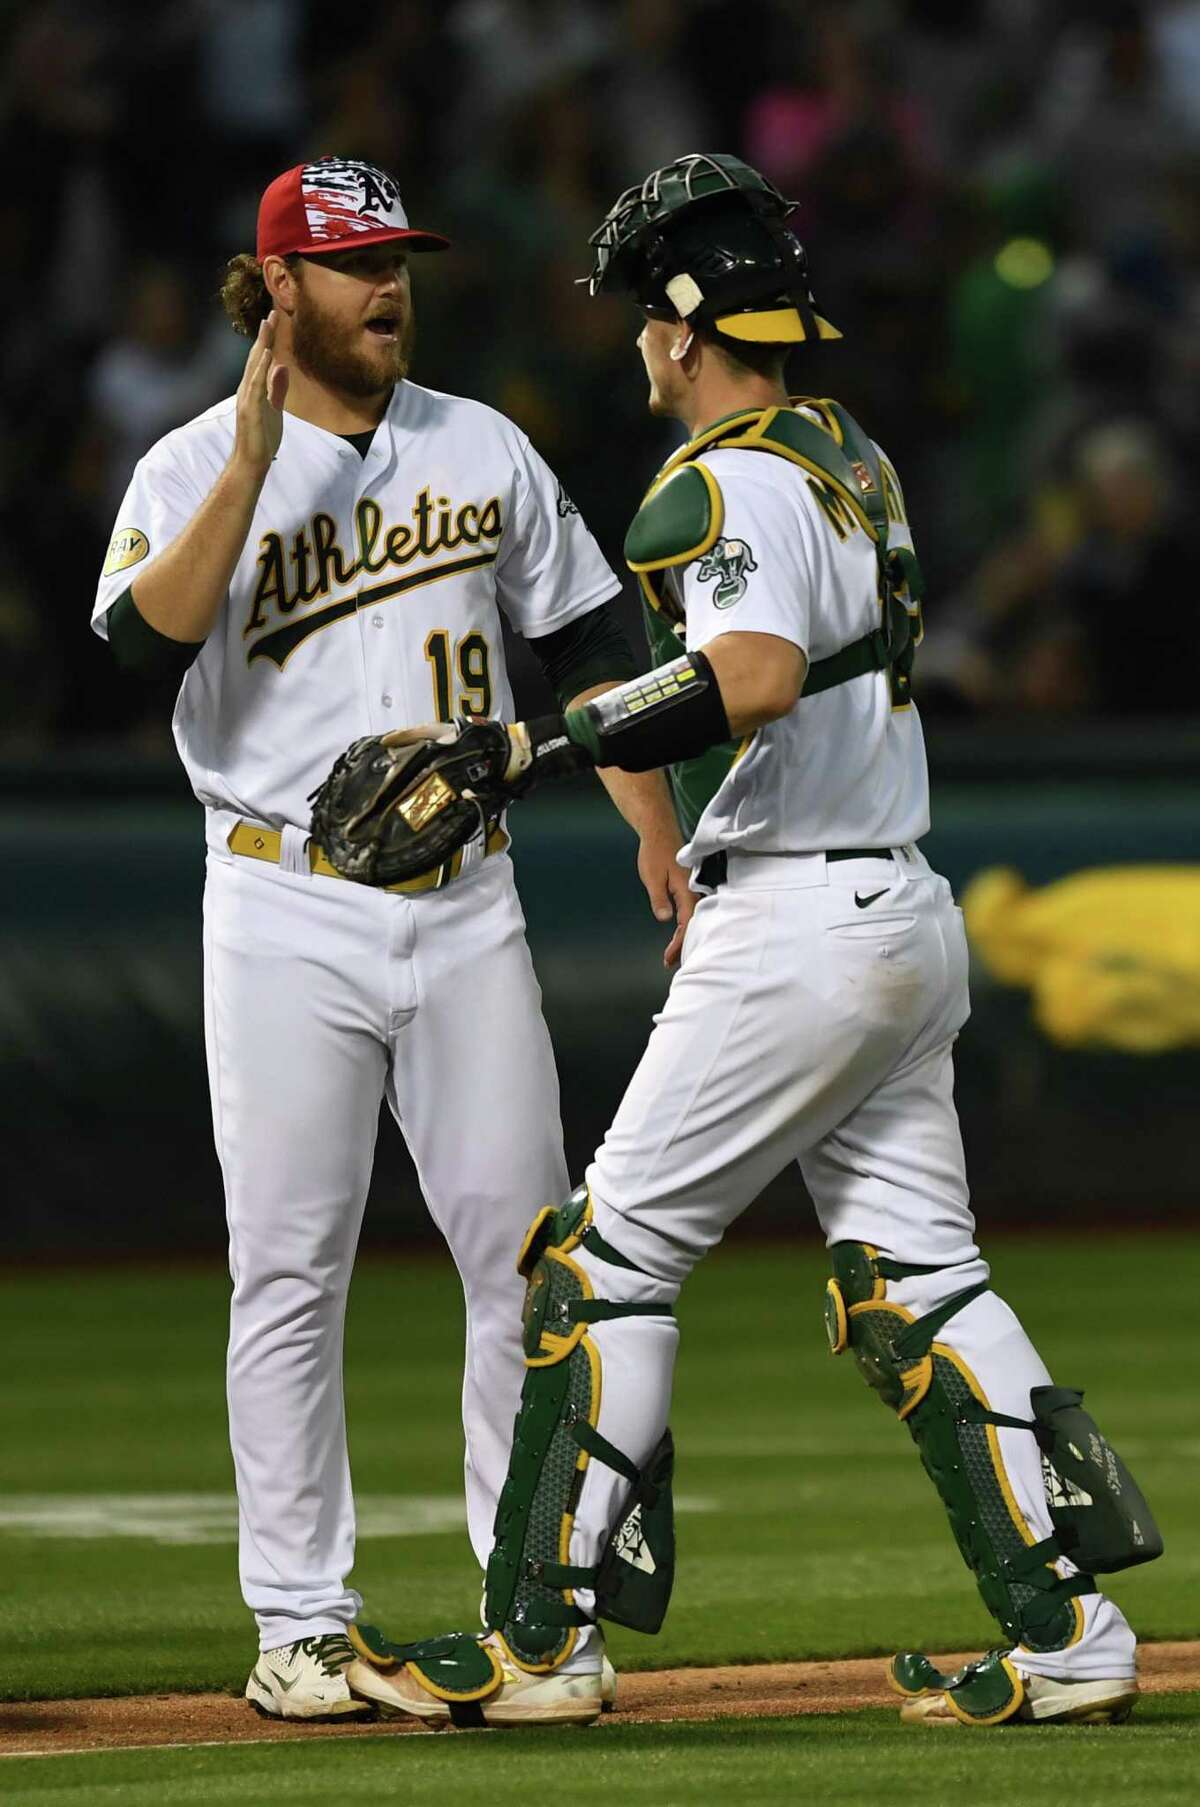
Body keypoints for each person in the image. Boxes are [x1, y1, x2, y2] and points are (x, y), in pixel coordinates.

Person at [339, 153, 1159, 1730]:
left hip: (801, 924)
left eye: (645, 315)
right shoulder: (846, 452)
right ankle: (1070, 1634)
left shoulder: (715, 481)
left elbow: (759, 671)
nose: (637, 343)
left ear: (680, 327)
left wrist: (527, 746)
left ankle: (541, 1647)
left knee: (599, 1269)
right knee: (919, 1283)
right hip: (899, 907)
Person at [90, 155, 692, 1720]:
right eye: (353, 264)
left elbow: (586, 646)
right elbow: (138, 645)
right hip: (281, 897)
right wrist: (248, 455)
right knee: (287, 1267)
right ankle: (300, 1622)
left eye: (398, 259)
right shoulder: (185, 466)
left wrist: (651, 824)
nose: (389, 286)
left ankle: (533, 1611)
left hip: (465, 897)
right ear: (277, 284)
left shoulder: (476, 444)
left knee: (525, 1256)